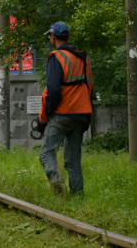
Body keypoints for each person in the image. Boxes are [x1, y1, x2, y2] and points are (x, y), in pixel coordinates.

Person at [34, 22, 93, 196]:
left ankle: (58, 186)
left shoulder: (56, 57)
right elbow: (89, 86)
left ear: (53, 37)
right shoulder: (84, 58)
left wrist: (45, 117)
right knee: (73, 160)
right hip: (82, 113)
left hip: (62, 113)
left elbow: (52, 90)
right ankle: (77, 196)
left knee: (46, 153)